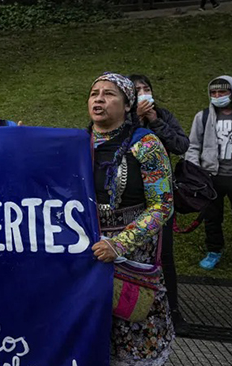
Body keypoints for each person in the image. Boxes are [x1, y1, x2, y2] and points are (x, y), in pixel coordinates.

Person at [87, 72, 175, 365]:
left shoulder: (147, 144)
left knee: (133, 325)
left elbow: (162, 205)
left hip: (133, 255)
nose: (99, 98)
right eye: (94, 93)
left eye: (109, 93)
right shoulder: (76, 143)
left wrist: (119, 244)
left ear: (127, 105)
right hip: (89, 252)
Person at [129, 74, 189, 332]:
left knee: (165, 254)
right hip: (130, 201)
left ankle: (173, 310)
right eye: (137, 90)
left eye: (146, 89)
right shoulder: (122, 118)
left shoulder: (163, 115)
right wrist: (136, 120)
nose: (143, 93)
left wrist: (155, 121)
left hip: (160, 199)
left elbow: (181, 144)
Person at [185, 76, 232, 273]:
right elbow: (193, 146)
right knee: (212, 216)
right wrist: (195, 171)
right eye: (213, 93)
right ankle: (214, 251)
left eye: (222, 92)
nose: (217, 96)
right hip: (211, 177)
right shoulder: (202, 117)